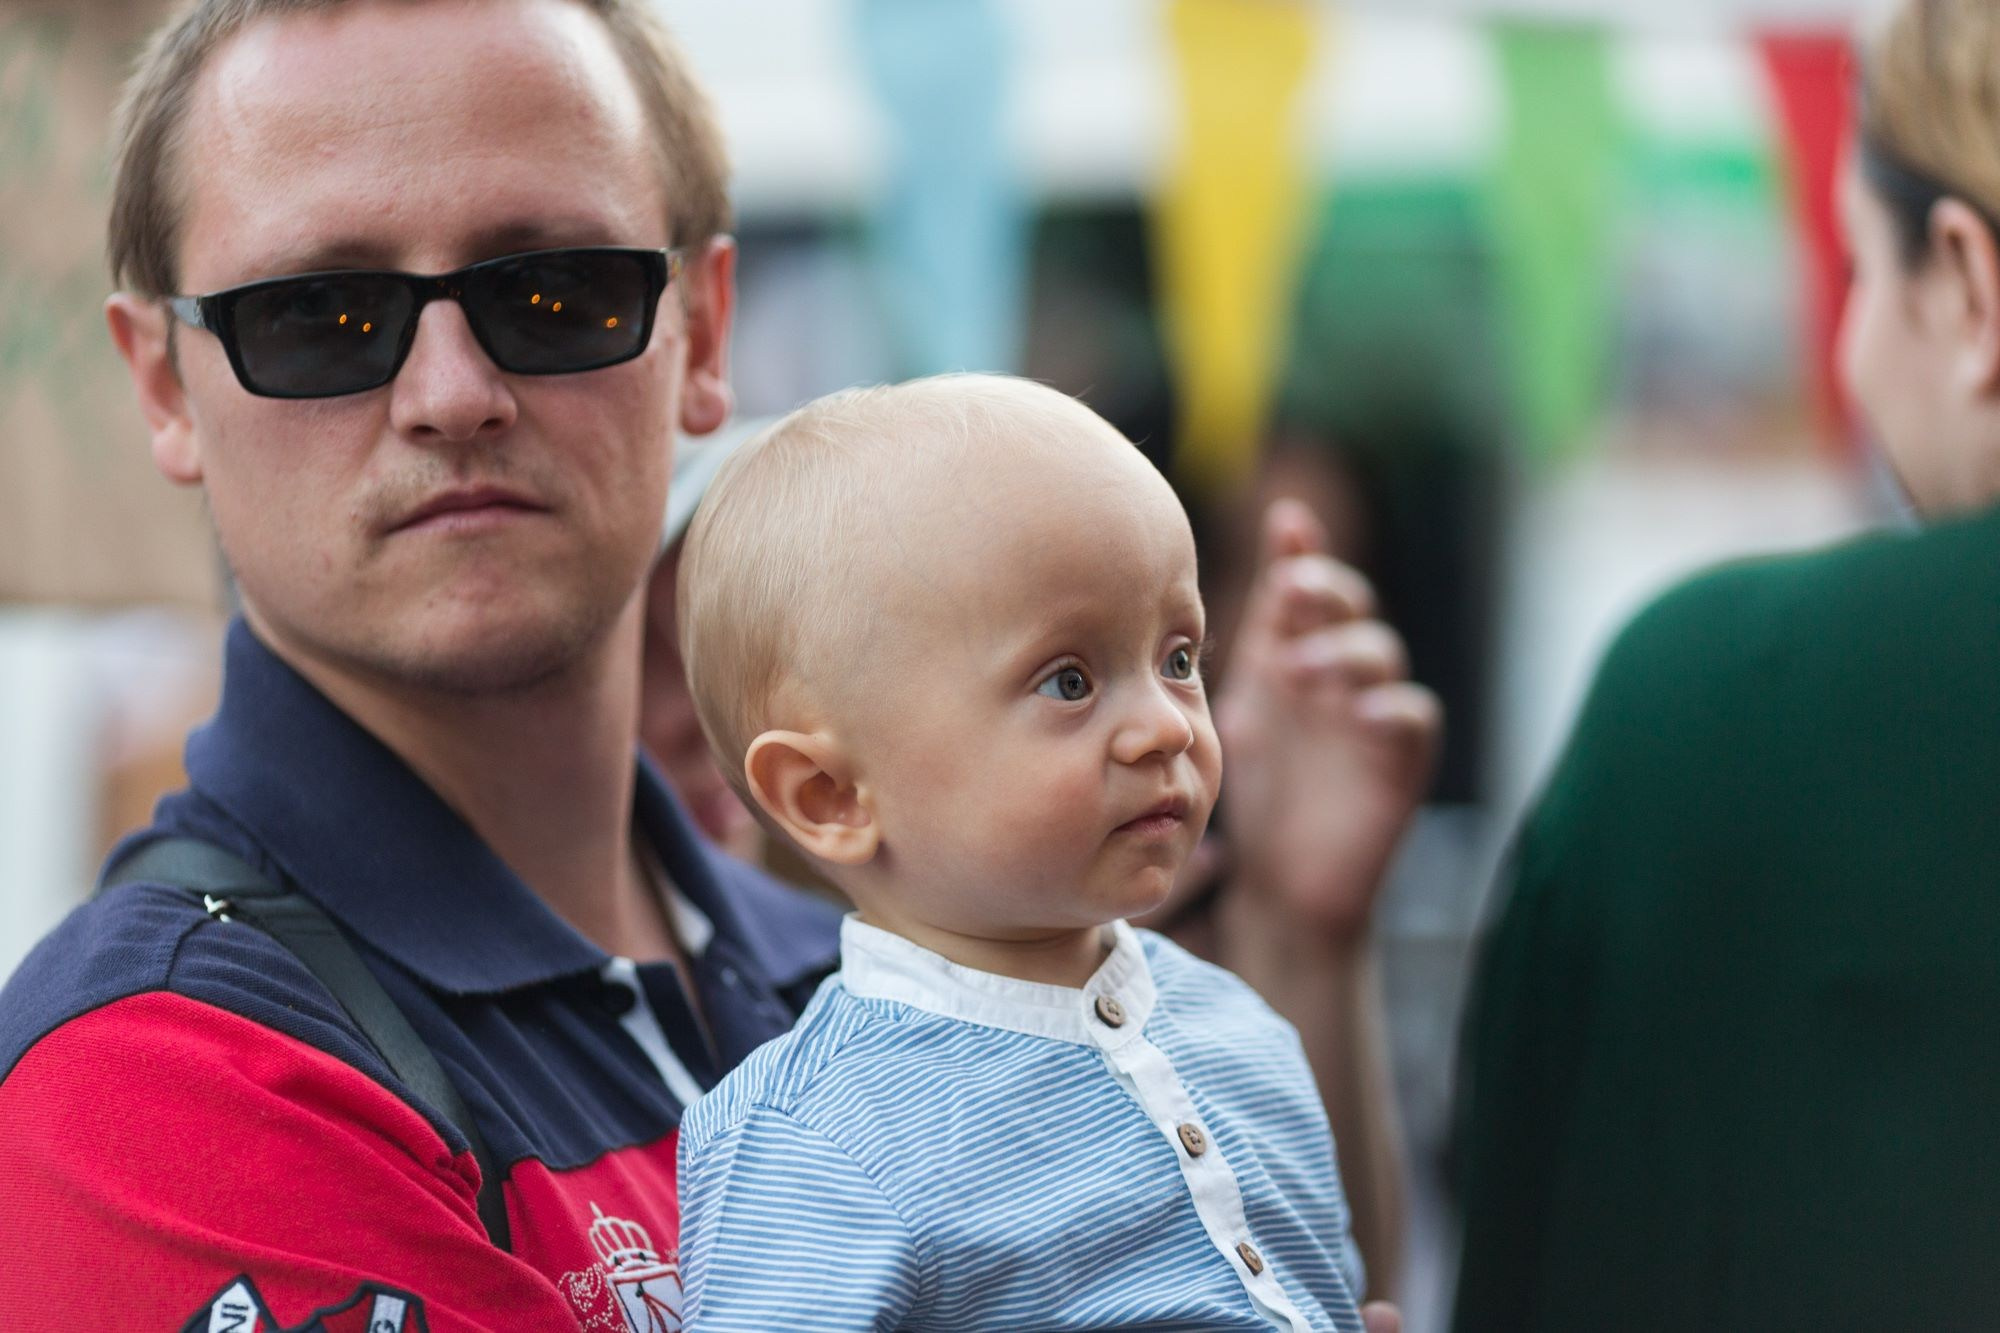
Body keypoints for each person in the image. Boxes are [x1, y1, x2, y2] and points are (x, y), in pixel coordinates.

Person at [0, 2, 1420, 1328]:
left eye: (554, 291)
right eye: (318, 314)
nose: (450, 394)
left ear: (706, 330)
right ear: (163, 385)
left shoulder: (871, 956)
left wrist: (1307, 943)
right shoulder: (161, 1084)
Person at [1453, 1, 2000, 1327]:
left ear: (1968, 285)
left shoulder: (1715, 693)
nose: (1857, 353)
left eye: (1857, 276)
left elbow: (1527, 1233)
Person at [673, 374, 1366, 1331]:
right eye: (1070, 679)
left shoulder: (1238, 1027)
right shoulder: (823, 1140)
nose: (1164, 726)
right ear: (831, 796)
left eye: (1178, 658)